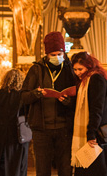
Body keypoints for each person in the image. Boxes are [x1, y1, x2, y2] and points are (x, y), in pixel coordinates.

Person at [21, 31, 77, 176]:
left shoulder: (70, 69)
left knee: (65, 169)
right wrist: (36, 94)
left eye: (60, 54)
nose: (57, 57)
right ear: (46, 55)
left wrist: (68, 102)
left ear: (64, 53)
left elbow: (78, 99)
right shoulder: (36, 70)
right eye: (53, 55)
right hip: (41, 129)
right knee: (42, 169)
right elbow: (23, 97)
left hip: (65, 128)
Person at [70, 51, 107, 176]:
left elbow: (96, 109)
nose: (77, 73)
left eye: (80, 69)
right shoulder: (86, 81)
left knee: (97, 170)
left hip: (99, 133)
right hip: (97, 132)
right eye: (75, 70)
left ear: (89, 66)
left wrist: (91, 133)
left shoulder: (95, 79)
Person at [0, 69, 29, 176]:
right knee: (17, 165)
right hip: (18, 135)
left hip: (0, 134)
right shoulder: (23, 96)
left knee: (1, 163)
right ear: (21, 81)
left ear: (5, 80)